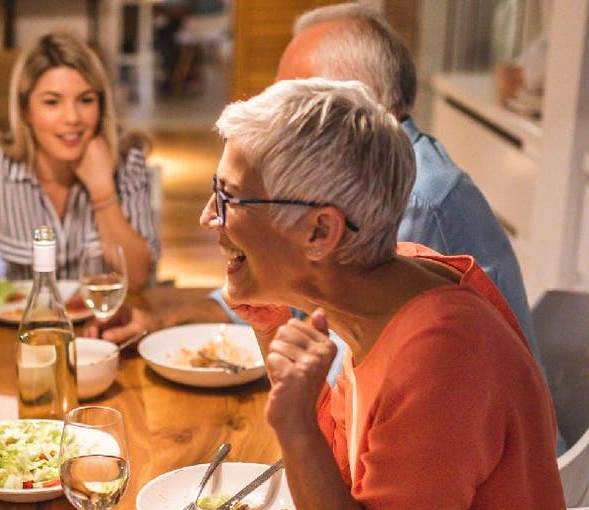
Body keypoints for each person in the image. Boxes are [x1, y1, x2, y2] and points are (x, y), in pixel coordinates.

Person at [206, 77, 589, 510]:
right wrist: (273, 331)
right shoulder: (396, 283)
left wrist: (294, 427)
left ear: (320, 232)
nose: (210, 217)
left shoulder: (444, 353)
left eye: (229, 197)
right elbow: (348, 477)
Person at [91, 4, 542, 364]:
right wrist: (169, 320)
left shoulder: (412, 198)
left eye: (295, 100)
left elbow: (344, 370)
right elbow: (297, 287)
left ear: (353, 106)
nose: (274, 113)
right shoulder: (365, 182)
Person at [0, 31, 159, 290]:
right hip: (17, 323)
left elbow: (136, 279)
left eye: (86, 100)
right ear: (25, 110)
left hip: (99, 325)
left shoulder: (126, 162)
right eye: (52, 102)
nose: (72, 118)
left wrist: (102, 191)